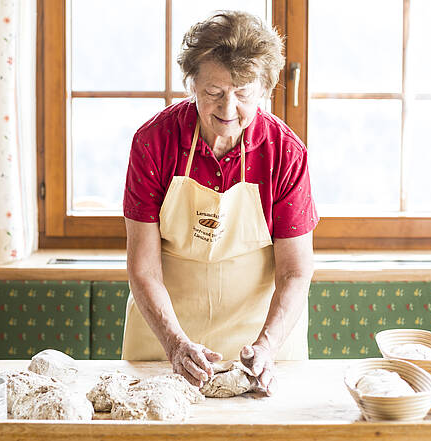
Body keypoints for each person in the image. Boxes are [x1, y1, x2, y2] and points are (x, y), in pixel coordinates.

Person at [122, 10, 318, 396]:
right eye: (214, 93)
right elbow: (143, 266)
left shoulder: (285, 153)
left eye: (243, 93)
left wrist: (267, 346)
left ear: (265, 88)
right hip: (163, 334)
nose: (228, 111)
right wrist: (176, 344)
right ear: (191, 83)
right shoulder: (153, 143)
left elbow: (295, 271)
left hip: (260, 337)